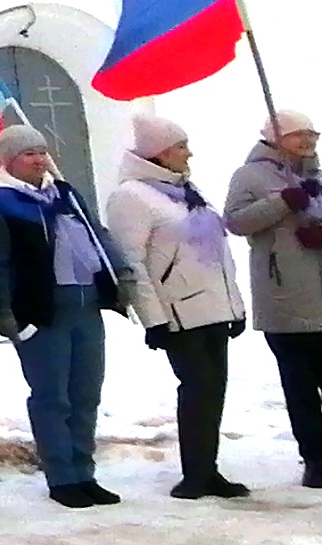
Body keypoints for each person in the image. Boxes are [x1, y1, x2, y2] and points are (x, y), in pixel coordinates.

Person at [0, 125, 133, 509]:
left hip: (86, 305)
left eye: (42, 151)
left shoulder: (65, 194)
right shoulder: (0, 201)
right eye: (28, 154)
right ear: (9, 161)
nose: (38, 159)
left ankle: (85, 471)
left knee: (86, 393)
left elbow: (97, 233)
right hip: (42, 311)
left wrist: (120, 273)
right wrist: (4, 311)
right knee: (52, 396)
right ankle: (61, 476)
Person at [224, 109, 322, 494]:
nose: (307, 142)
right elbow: (237, 222)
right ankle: (316, 460)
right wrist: (283, 202)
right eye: (298, 135)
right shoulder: (250, 177)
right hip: (286, 299)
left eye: (312, 135)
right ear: (275, 139)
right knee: (302, 389)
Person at [104, 114, 252, 500]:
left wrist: (234, 304)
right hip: (178, 312)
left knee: (213, 390)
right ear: (159, 153)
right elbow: (132, 262)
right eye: (180, 146)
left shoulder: (186, 191)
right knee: (197, 387)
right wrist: (153, 318)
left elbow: (217, 254)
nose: (189, 154)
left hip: (213, 308)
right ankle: (195, 473)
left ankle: (209, 468)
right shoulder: (132, 196)